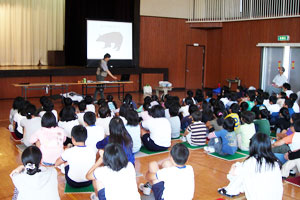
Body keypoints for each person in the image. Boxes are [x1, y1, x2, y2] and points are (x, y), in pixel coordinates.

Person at [217, 133, 283, 200]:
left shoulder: (251, 162)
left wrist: (235, 165)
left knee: (241, 173)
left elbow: (232, 173)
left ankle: (230, 190)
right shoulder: (275, 162)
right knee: (245, 172)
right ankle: (232, 190)